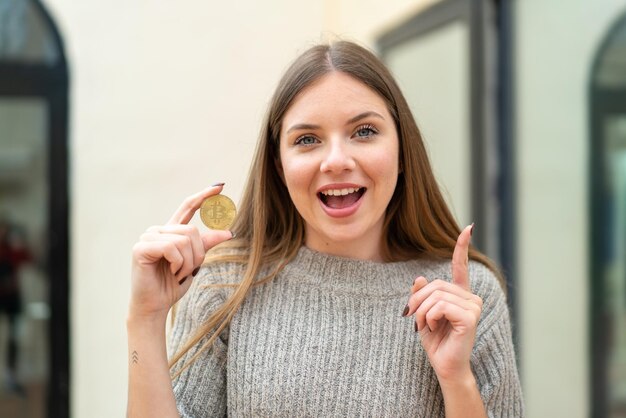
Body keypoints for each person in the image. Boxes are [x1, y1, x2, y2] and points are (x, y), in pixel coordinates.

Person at [127, 41, 524, 417]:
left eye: (364, 131)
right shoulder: (227, 285)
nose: (336, 160)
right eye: (307, 139)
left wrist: (457, 380)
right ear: (279, 167)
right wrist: (145, 319)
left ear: (403, 151)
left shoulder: (469, 297)